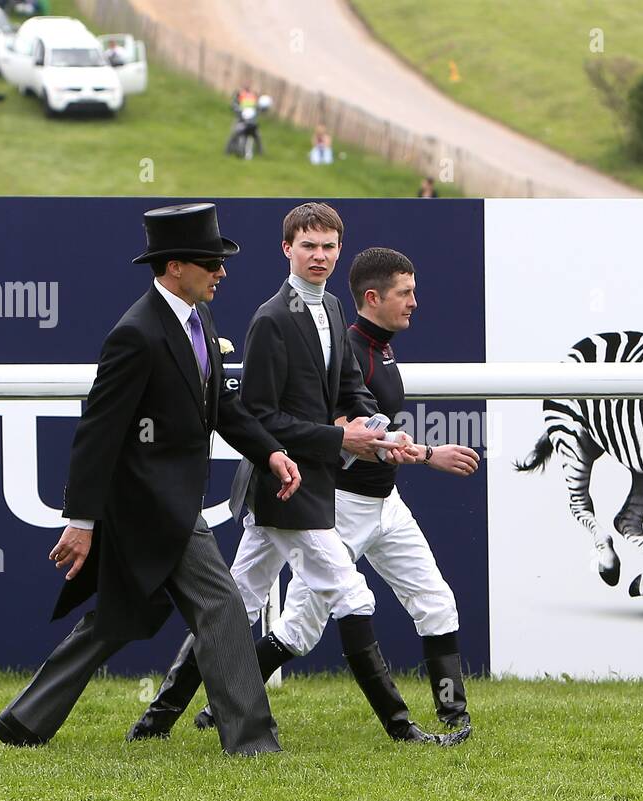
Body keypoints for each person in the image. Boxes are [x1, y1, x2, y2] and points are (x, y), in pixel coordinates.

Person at [129, 203, 449, 746]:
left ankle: (156, 720)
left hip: (303, 485)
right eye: (308, 246)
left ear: (338, 251)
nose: (319, 256)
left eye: (328, 247)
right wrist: (339, 438)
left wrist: (380, 431)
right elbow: (258, 416)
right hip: (282, 486)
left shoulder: (330, 314)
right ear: (287, 250)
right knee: (354, 597)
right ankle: (401, 728)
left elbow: (351, 391)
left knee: (237, 604)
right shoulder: (271, 318)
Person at [0, 203, 303, 757]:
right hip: (150, 510)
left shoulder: (198, 318)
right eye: (212, 263)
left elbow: (222, 408)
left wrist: (271, 452)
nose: (222, 272)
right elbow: (97, 433)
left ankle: (24, 721)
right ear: (175, 266)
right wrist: (82, 521)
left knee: (121, 617)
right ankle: (253, 742)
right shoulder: (135, 334)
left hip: (172, 503)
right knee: (223, 605)